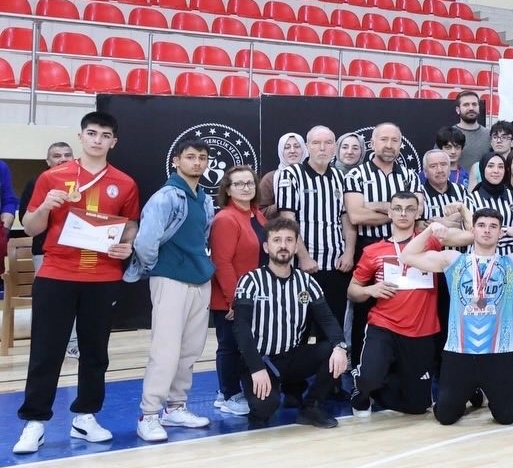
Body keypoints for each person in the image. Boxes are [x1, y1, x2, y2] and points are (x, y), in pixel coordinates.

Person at [13, 111, 139, 455]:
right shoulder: (52, 177)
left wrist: (128, 243)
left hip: (103, 276)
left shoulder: (125, 183)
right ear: (81, 137)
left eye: (105, 135)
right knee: (46, 350)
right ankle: (35, 421)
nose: (98, 140)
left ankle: (85, 416)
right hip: (57, 274)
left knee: (95, 351)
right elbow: (32, 227)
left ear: (113, 142)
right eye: (92, 133)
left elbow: (129, 224)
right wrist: (45, 206)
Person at [402, 209, 513, 425]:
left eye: (493, 226)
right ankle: (472, 391)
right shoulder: (454, 260)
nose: (487, 230)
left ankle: (479, 389)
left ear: (501, 233)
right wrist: (430, 230)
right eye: (481, 225)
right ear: (472, 230)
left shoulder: (512, 262)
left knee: (508, 416)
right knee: (445, 417)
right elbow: (407, 256)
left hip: (499, 352)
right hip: (460, 351)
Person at [125, 136, 216, 442]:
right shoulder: (165, 197)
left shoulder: (204, 199)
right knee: (165, 350)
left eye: (202, 158)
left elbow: (203, 237)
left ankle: (176, 407)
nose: (197, 162)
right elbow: (145, 242)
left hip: (199, 279)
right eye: (190, 157)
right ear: (176, 160)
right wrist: (158, 267)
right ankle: (149, 414)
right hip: (170, 279)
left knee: (190, 349)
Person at [231, 218, 350, 430]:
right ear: (266, 247)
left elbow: (327, 319)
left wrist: (340, 347)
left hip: (293, 356)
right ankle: (280, 390)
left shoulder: (307, 282)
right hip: (261, 359)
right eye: (277, 240)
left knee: (334, 352)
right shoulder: (251, 281)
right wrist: (256, 367)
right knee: (265, 409)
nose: (283, 245)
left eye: (288, 240)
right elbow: (241, 328)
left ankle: (311, 406)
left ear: (296, 247)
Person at [347, 192, 438, 418]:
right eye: (397, 208)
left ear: (418, 212)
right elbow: (352, 291)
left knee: (417, 408)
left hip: (421, 331)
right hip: (384, 325)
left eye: (409, 209)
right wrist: (369, 290)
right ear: (389, 213)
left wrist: (456, 216)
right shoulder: (373, 251)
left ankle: (386, 383)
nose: (403, 213)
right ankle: (363, 388)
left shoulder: (432, 244)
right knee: (369, 378)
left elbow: (469, 236)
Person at [344, 123, 420, 362]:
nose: (389, 145)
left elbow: (417, 212)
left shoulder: (409, 175)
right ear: (372, 143)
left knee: (402, 303)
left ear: (400, 144)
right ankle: (361, 364)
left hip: (406, 247)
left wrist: (375, 205)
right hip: (369, 245)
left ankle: (397, 365)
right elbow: (356, 215)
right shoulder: (356, 175)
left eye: (394, 140)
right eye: (384, 139)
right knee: (365, 307)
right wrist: (398, 211)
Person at [275, 125, 352, 328]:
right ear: (307, 146)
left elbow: (346, 219)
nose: (322, 148)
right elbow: (287, 220)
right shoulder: (291, 174)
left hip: (336, 265)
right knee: (299, 326)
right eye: (316, 143)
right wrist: (304, 257)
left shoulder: (340, 177)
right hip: (305, 265)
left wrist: (349, 253)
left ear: (334, 147)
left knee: (334, 326)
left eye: (328, 143)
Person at [209, 166, 266, 417]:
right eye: (239, 184)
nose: (246, 188)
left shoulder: (257, 215)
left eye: (250, 183)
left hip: (255, 296)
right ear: (228, 189)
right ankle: (227, 394)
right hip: (231, 299)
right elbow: (222, 262)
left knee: (246, 345)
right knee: (230, 346)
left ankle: (237, 389)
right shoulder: (225, 219)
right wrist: (234, 300)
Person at [17, 141, 76, 357]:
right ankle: (46, 347)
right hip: (45, 252)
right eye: (57, 156)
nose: (63, 159)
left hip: (76, 252)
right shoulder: (37, 182)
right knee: (49, 303)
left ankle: (72, 344)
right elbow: (25, 219)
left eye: (67, 155)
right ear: (48, 161)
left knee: (75, 301)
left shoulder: (81, 183)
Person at [257, 132, 305, 219]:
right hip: (280, 226)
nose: (292, 151)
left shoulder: (314, 176)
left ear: (304, 150)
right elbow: (259, 213)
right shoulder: (270, 178)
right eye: (287, 147)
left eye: (297, 146)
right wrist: (283, 203)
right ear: (281, 151)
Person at [453, 90, 491, 176]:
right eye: (466, 105)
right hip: (455, 183)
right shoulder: (448, 135)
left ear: (479, 108)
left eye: (474, 104)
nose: (471, 108)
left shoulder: (490, 135)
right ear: (458, 110)